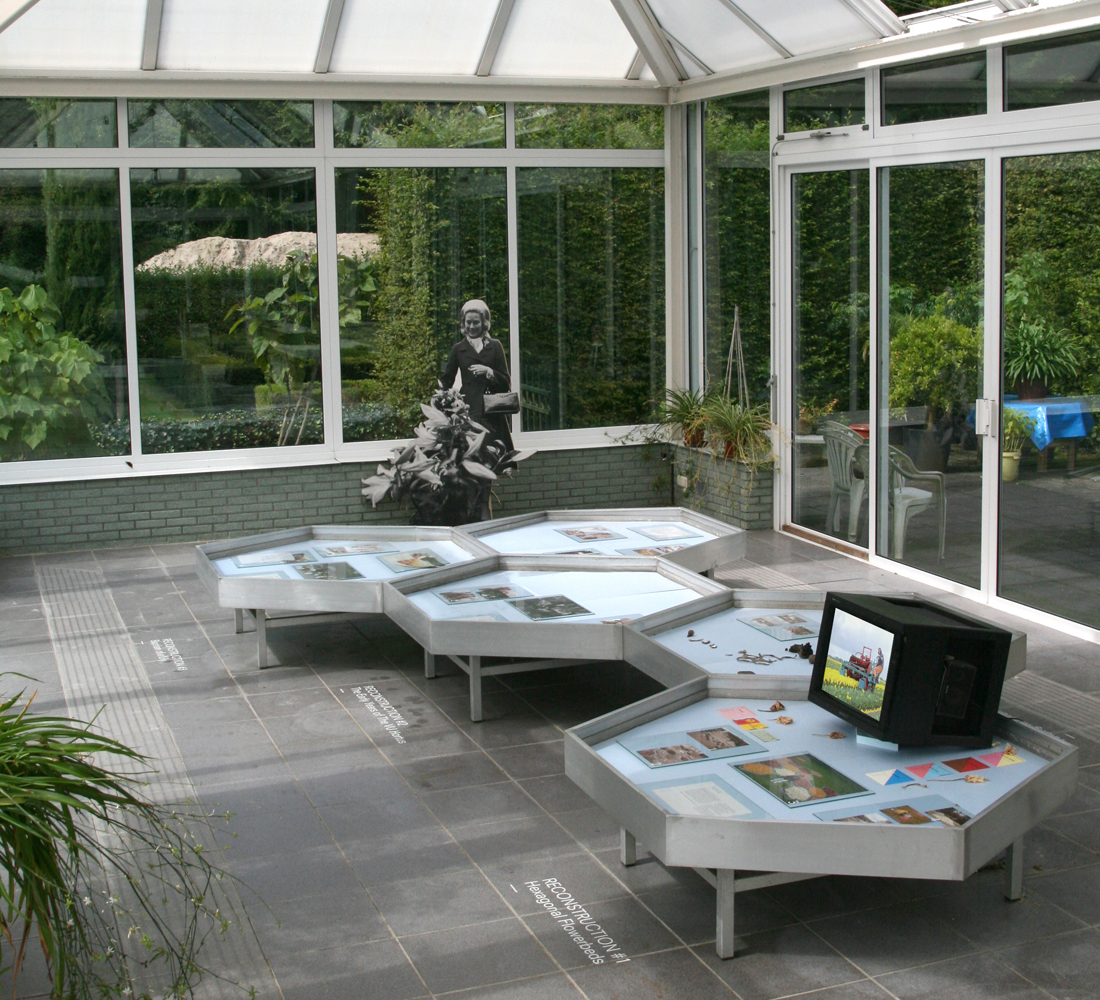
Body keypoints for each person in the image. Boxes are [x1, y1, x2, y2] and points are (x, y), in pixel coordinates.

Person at [442, 299, 513, 452]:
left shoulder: (495, 346)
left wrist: (489, 372)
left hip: (491, 412)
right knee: (470, 457)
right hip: (468, 412)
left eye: (476, 322)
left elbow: (506, 383)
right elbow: (446, 380)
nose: (472, 327)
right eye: (468, 322)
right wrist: (442, 398)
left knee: (493, 456)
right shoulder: (458, 349)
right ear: (463, 323)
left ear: (484, 324)